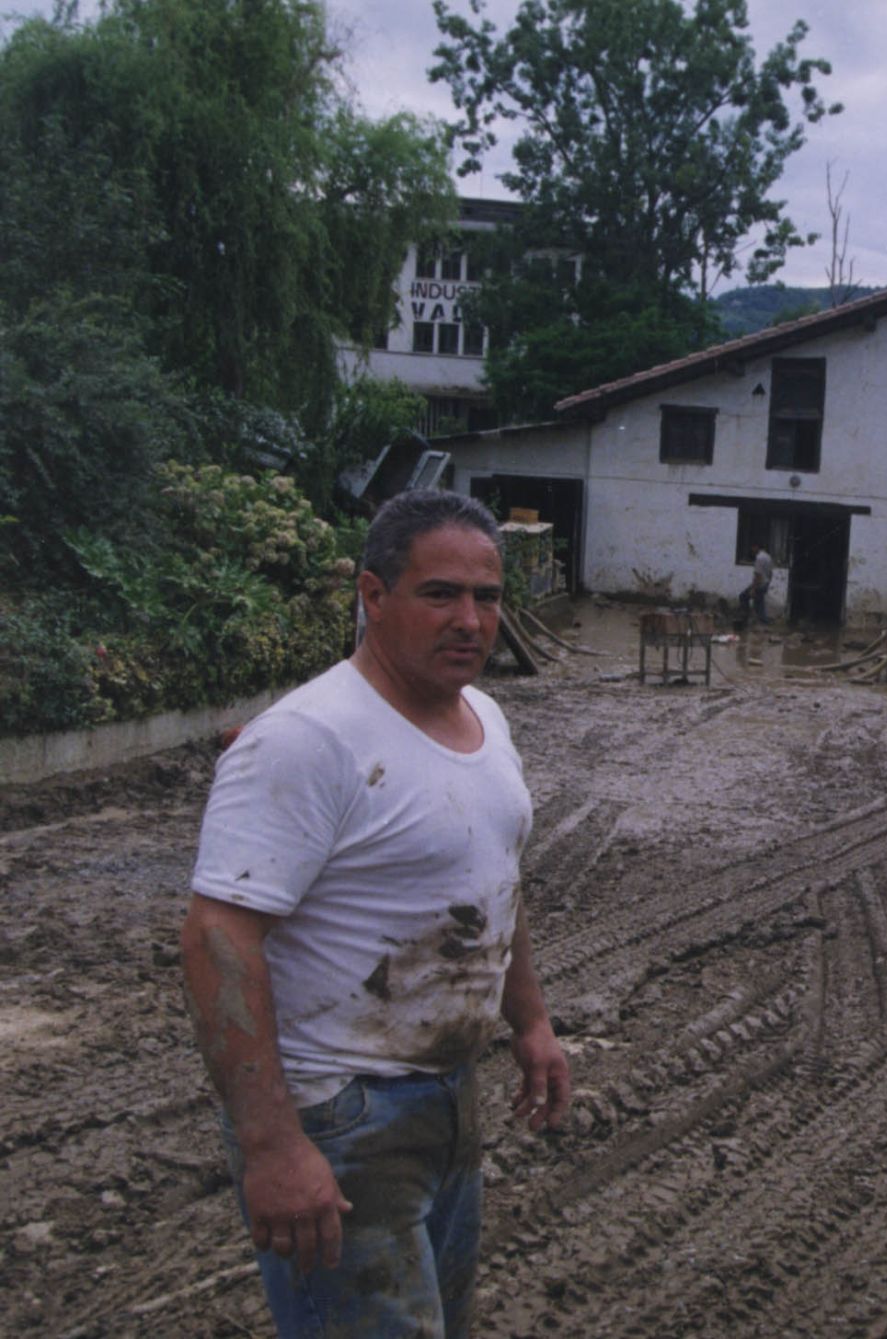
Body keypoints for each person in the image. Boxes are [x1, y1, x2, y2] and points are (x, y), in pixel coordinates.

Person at [181, 489, 571, 1337]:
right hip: (342, 1112)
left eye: (489, 597)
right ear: (372, 594)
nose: (471, 619)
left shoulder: (487, 720)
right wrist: (275, 1146)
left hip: (446, 1097)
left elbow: (493, 883)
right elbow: (219, 937)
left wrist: (530, 1021)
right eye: (441, 594)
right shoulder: (307, 739)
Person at [739, 544, 774, 625]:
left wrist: (753, 589)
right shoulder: (768, 557)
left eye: (752, 547)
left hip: (759, 584)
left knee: (743, 596)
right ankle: (763, 621)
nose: (752, 550)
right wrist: (767, 583)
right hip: (765, 583)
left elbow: (758, 576)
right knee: (759, 604)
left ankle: (745, 619)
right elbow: (771, 573)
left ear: (756, 547)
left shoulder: (759, 558)